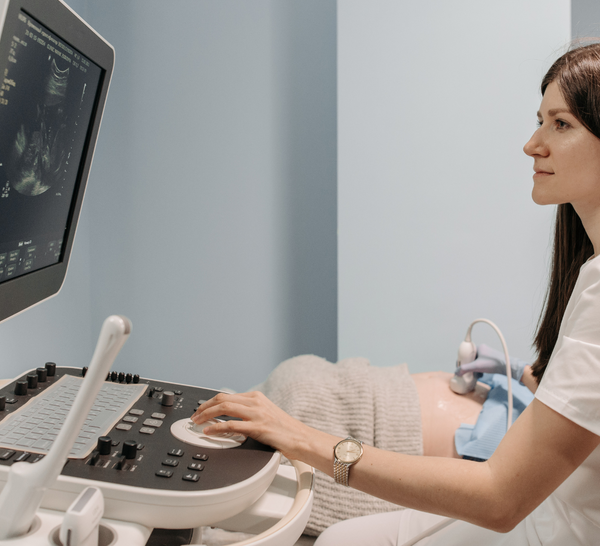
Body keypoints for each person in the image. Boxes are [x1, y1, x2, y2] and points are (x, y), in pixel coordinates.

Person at [192, 42, 600, 545]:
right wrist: (522, 374)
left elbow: (500, 498)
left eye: (561, 124)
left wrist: (306, 440)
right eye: (540, 120)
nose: (532, 144)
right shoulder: (591, 273)